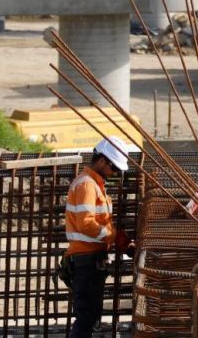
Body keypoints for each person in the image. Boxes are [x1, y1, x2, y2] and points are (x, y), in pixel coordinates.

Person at [63, 137, 133, 338]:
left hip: (92, 259)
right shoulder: (86, 184)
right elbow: (87, 223)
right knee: (86, 319)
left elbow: (102, 224)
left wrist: (123, 243)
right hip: (86, 260)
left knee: (90, 317)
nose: (115, 173)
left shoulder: (95, 184)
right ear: (102, 160)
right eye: (114, 168)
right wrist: (113, 237)